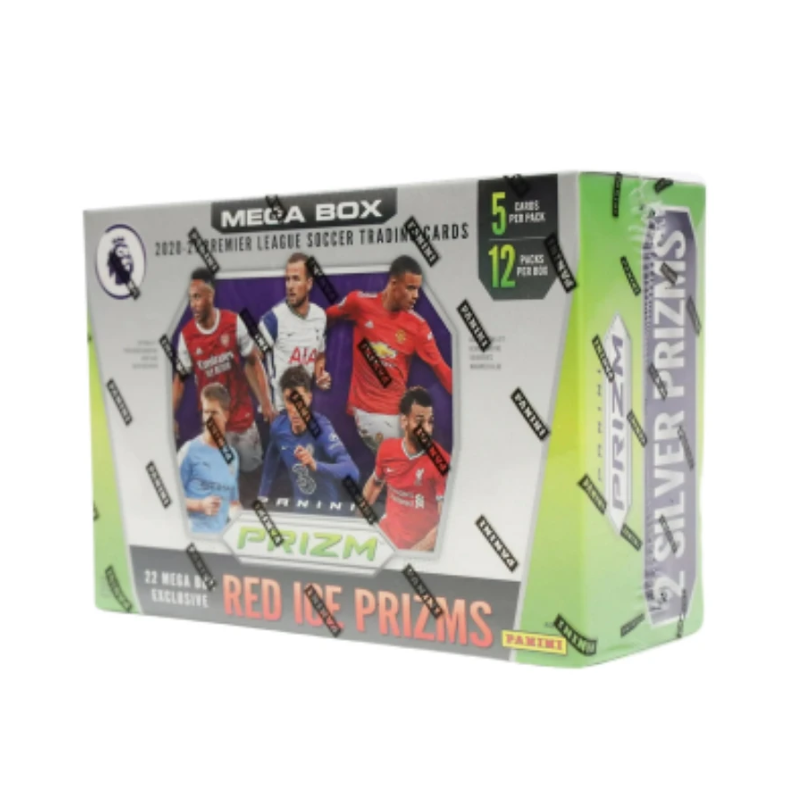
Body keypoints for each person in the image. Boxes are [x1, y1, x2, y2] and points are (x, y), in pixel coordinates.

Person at [326, 255, 452, 452]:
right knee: (404, 459)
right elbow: (326, 317)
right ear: (394, 284)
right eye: (410, 288)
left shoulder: (417, 326)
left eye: (418, 289)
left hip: (399, 413)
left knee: (426, 459)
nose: (416, 295)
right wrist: (318, 353)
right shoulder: (360, 303)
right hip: (369, 412)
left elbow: (441, 369)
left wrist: (468, 400)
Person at [173, 268, 273, 506]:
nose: (193, 304)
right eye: (190, 298)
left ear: (211, 295)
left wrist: (266, 402)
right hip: (214, 423)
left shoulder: (233, 322)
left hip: (242, 416)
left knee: (252, 474)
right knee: (220, 479)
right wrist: (171, 416)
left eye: (198, 297)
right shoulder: (187, 336)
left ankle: (255, 514)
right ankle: (227, 518)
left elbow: (253, 362)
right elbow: (180, 380)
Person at [258, 366, 359, 509]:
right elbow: (270, 465)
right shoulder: (278, 428)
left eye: (299, 399)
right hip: (300, 509)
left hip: (328, 510)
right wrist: (262, 497)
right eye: (289, 401)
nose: (295, 409)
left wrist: (316, 465)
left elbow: (353, 472)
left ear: (309, 398)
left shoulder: (321, 429)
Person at [362, 386, 449, 551]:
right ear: (404, 421)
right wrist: (358, 521)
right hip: (386, 539)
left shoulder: (441, 463)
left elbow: (444, 523)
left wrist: (408, 556)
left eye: (430, 422)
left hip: (418, 549)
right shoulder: (387, 449)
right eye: (419, 421)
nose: (427, 429)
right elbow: (374, 485)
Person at [258, 252, 330, 412]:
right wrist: (266, 404)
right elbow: (253, 361)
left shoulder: (320, 317)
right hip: (280, 410)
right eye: (287, 279)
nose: (290, 286)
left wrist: (320, 374)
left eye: (296, 279)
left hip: (305, 409)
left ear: (309, 283)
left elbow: (319, 355)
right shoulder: (273, 320)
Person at [178, 383, 241, 534]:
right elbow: (169, 497)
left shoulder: (232, 456)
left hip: (220, 540)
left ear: (226, 415)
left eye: (214, 413)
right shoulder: (189, 450)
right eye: (206, 412)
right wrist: (200, 505)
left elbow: (233, 503)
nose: (209, 419)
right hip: (192, 538)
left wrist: (242, 521)